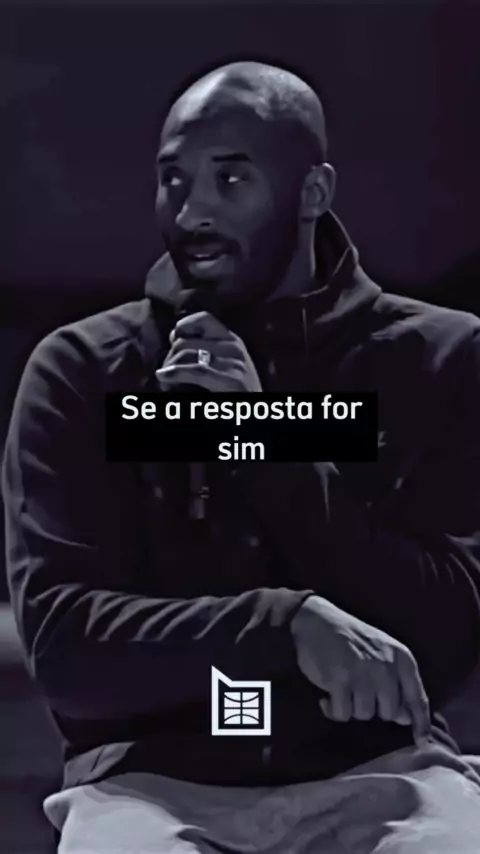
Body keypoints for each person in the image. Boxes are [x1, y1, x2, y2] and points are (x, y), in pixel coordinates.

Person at [3, 60, 480, 854]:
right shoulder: (84, 368)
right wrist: (278, 625)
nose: (192, 211)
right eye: (174, 180)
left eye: (230, 180)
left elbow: (450, 632)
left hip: (382, 773)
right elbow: (65, 647)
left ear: (313, 192)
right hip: (148, 784)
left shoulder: (437, 357)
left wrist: (258, 440)